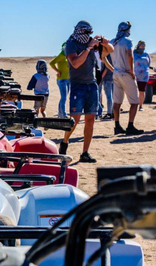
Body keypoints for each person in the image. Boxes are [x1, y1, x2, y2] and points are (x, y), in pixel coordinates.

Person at [58, 20, 114, 163]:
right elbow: (75, 63)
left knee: (90, 120)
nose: (89, 35)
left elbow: (110, 51)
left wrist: (105, 43)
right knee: (74, 119)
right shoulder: (71, 44)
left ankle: (85, 152)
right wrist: (88, 48)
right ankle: (65, 141)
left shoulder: (91, 41)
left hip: (92, 85)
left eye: (90, 32)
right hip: (77, 85)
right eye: (86, 32)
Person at [110, 21, 143, 135]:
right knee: (135, 102)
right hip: (126, 73)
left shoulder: (112, 42)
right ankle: (130, 125)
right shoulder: (128, 41)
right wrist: (132, 70)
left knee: (117, 101)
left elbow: (104, 55)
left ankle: (117, 125)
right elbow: (130, 55)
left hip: (116, 73)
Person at [50, 47, 71, 118]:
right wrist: (57, 71)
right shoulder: (61, 56)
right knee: (64, 97)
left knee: (64, 97)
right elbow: (52, 63)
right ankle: (63, 114)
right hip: (62, 79)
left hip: (68, 79)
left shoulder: (68, 56)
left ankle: (60, 113)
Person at [133, 41, 151, 111]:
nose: (143, 47)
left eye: (144, 46)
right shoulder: (133, 54)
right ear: (138, 46)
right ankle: (134, 105)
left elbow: (149, 63)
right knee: (134, 91)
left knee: (142, 91)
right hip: (135, 74)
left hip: (144, 75)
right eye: (141, 45)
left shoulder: (146, 54)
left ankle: (140, 105)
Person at [99, 49, 114, 120]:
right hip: (113, 77)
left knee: (109, 96)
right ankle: (112, 112)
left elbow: (106, 68)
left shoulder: (108, 56)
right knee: (112, 96)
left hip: (107, 78)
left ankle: (109, 113)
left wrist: (101, 77)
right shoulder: (112, 54)